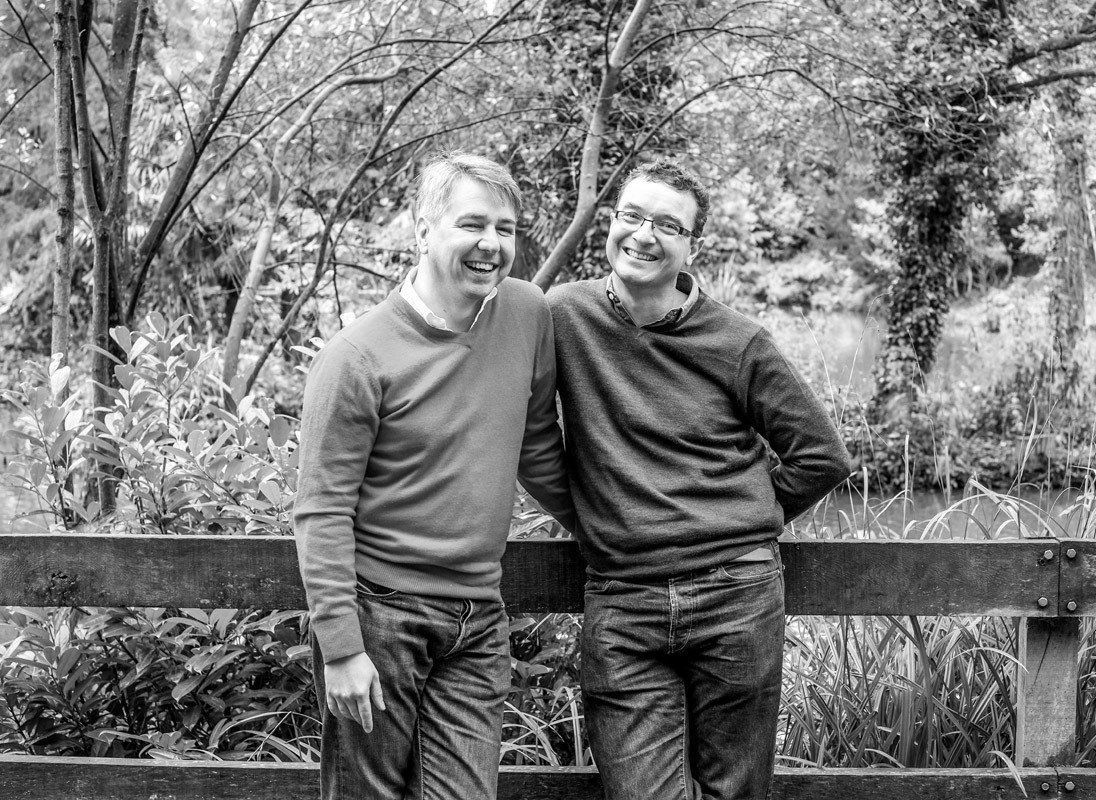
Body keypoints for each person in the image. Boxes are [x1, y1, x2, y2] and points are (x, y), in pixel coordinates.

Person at [548, 158, 851, 800]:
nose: (643, 234)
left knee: (733, 792)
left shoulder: (739, 343)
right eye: (632, 216)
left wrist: (740, 513)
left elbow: (821, 456)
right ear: (611, 222)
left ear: (694, 247)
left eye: (667, 224)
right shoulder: (564, 315)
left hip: (735, 593)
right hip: (623, 597)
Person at [294, 152, 575, 800]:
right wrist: (342, 648)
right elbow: (321, 510)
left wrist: (612, 529)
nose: (491, 244)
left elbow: (537, 447)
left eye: (505, 228)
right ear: (424, 230)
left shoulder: (527, 312)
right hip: (381, 614)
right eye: (472, 224)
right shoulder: (356, 357)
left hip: (478, 617)